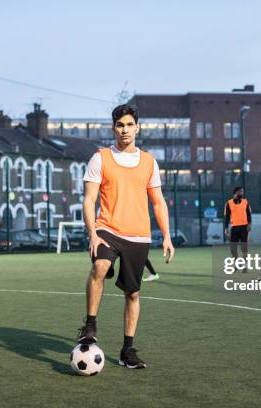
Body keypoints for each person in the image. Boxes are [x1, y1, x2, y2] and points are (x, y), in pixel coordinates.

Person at [77, 104, 175, 369]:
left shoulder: (149, 162)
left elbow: (158, 202)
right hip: (107, 228)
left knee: (132, 294)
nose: (125, 130)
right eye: (120, 125)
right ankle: (90, 325)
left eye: (130, 125)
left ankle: (127, 350)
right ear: (114, 128)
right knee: (100, 266)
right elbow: (89, 199)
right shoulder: (100, 158)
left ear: (137, 128)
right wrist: (93, 233)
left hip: (139, 235)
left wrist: (166, 235)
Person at [223, 187, 252, 272]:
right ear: (235, 193)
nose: (242, 193)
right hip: (234, 227)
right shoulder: (229, 203)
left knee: (244, 248)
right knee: (233, 248)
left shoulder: (245, 202)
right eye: (240, 191)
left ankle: (245, 266)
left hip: (244, 227)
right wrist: (226, 228)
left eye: (242, 191)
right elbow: (227, 217)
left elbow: (249, 214)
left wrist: (249, 224)